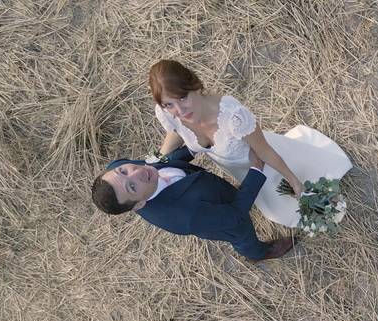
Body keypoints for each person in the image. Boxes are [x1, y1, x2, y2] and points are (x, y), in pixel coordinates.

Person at [149, 59, 352, 228]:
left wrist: (295, 183)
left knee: (289, 189)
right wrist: (157, 161)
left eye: (183, 98)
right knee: (270, 200)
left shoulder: (232, 116)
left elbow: (265, 151)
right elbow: (175, 132)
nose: (180, 110)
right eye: (169, 104)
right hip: (239, 170)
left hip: (264, 160)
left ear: (194, 85)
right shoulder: (168, 113)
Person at [90, 145, 294, 262]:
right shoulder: (187, 216)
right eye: (132, 187)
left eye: (124, 171)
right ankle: (258, 253)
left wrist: (195, 146)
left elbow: (163, 162)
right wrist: (256, 169)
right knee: (241, 232)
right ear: (137, 205)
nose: (137, 172)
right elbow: (236, 213)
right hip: (223, 218)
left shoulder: (117, 169)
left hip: (209, 188)